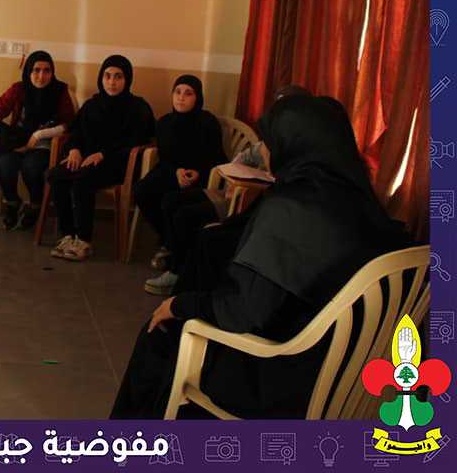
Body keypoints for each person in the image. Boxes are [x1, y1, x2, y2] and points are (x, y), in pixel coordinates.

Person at [110, 95, 410, 419]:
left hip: (284, 375)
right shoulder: (361, 198)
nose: (264, 150)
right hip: (351, 370)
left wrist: (178, 304)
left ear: (290, 144)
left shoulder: (289, 207)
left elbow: (242, 312)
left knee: (159, 337)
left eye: (268, 141)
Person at [144, 84, 311, 296]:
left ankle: (179, 274)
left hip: (252, 204)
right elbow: (244, 157)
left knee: (186, 216)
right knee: (170, 200)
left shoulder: (300, 146)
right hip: (232, 192)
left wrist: (262, 180)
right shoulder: (269, 141)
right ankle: (175, 260)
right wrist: (235, 178)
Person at [46, 55, 155, 260]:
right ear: (101, 78)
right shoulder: (92, 105)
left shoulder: (137, 107)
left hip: (119, 164)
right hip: (87, 161)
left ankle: (84, 241)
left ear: (127, 79)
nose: (112, 82)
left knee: (82, 180)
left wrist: (103, 154)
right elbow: (76, 131)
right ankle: (68, 235)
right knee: (56, 175)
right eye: (107, 76)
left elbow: (138, 140)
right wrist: (74, 149)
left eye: (118, 76)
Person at [135, 75, 225, 290]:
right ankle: (169, 241)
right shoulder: (164, 122)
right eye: (177, 92)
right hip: (171, 171)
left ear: (197, 97)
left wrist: (197, 173)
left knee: (171, 200)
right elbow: (166, 157)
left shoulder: (207, 122)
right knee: (142, 190)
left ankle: (174, 254)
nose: (181, 98)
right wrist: (176, 172)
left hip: (202, 176)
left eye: (188, 93)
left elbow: (216, 157)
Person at [0, 50, 76, 230]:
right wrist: (6, 134)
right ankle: (13, 202)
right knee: (4, 164)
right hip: (17, 142)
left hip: (44, 144)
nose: (41, 76)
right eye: (36, 70)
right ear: (28, 71)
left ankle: (36, 205)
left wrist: (39, 135)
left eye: (47, 71)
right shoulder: (18, 89)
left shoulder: (60, 90)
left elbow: (69, 124)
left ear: (52, 72)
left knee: (32, 167)